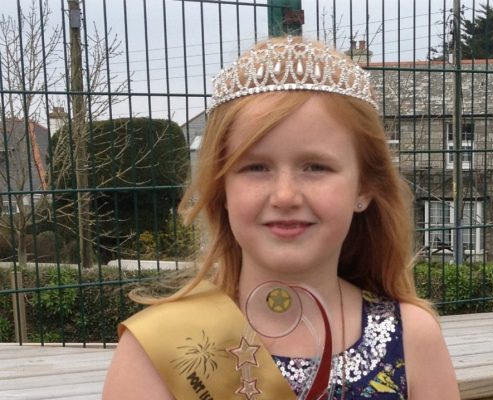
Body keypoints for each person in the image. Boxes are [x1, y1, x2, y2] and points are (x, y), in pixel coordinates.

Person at [103, 36, 460, 400]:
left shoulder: (414, 339)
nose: (286, 195)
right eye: (255, 167)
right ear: (221, 188)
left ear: (364, 187)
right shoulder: (158, 352)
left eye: (316, 167)